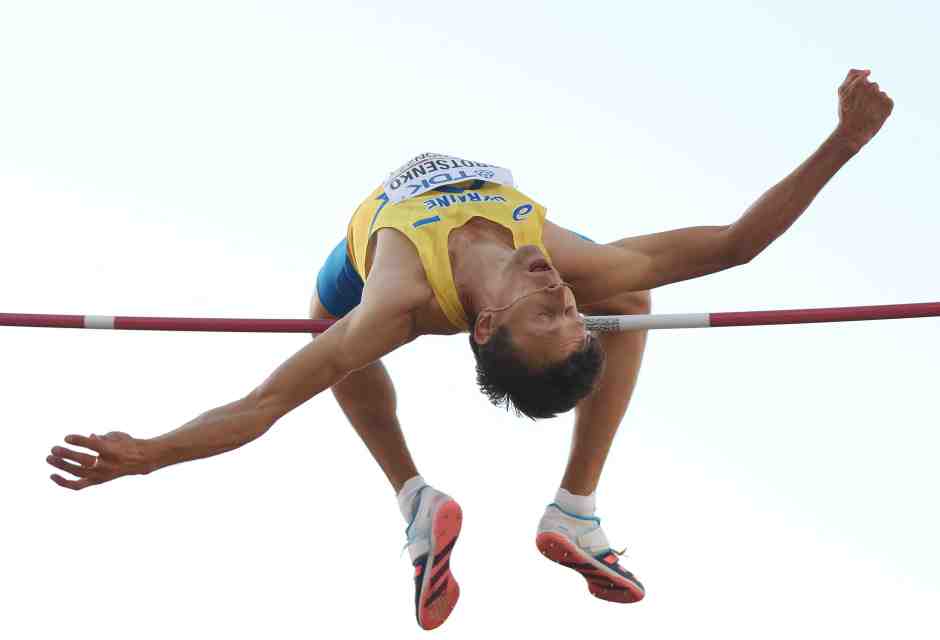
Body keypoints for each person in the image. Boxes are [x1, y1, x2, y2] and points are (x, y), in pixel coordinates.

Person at [46, 69, 893, 630]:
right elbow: (736, 244)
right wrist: (842, 144)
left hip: (365, 251)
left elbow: (265, 405)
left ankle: (421, 499)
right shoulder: (559, 260)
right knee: (630, 294)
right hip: (445, 227)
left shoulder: (399, 298)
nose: (564, 294)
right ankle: (564, 506)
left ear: (486, 328)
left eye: (548, 313)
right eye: (568, 309)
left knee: (325, 328)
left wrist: (152, 454)